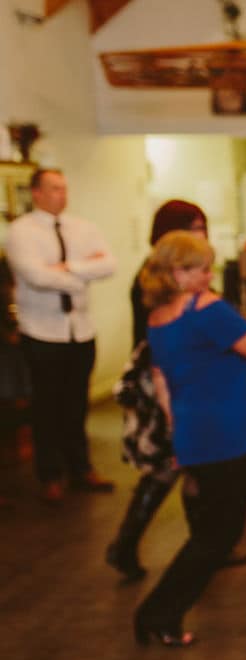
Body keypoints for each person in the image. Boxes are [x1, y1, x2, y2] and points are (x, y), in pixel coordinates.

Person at [134, 230, 246, 646]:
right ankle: (155, 614)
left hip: (219, 435)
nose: (207, 276)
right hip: (224, 437)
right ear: (177, 273)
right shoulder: (205, 310)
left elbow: (163, 382)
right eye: (199, 269)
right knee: (218, 536)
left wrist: (178, 437)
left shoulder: (158, 318)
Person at [108, 200, 246, 582]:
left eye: (201, 226)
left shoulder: (185, 272)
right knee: (170, 465)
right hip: (165, 379)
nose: (199, 233)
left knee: (182, 467)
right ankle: (137, 544)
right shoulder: (160, 276)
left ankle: (203, 542)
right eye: (192, 226)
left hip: (176, 377)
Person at [6, 168, 117, 502]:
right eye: (54, 188)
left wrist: (68, 268)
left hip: (79, 330)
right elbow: (35, 276)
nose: (62, 195)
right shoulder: (21, 232)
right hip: (42, 331)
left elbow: (108, 265)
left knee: (76, 403)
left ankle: (80, 467)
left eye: (64, 188)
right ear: (37, 193)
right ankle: (50, 474)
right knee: (47, 406)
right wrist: (83, 271)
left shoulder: (82, 228)